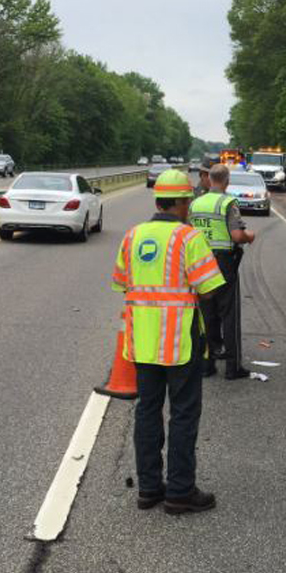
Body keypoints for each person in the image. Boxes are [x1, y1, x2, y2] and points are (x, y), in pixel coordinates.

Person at [111, 169, 225, 514]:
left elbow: (122, 282)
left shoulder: (132, 236)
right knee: (183, 414)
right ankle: (179, 491)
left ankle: (148, 489)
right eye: (187, 201)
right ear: (181, 202)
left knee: (147, 411)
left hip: (142, 342)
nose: (188, 207)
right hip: (179, 342)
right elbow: (210, 288)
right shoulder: (188, 238)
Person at [190, 164, 256, 380]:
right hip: (223, 262)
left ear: (209, 179)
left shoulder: (196, 203)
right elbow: (237, 236)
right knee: (229, 314)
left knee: (206, 314)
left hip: (200, 262)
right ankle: (232, 367)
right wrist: (250, 236)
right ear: (227, 181)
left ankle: (206, 365)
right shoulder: (228, 203)